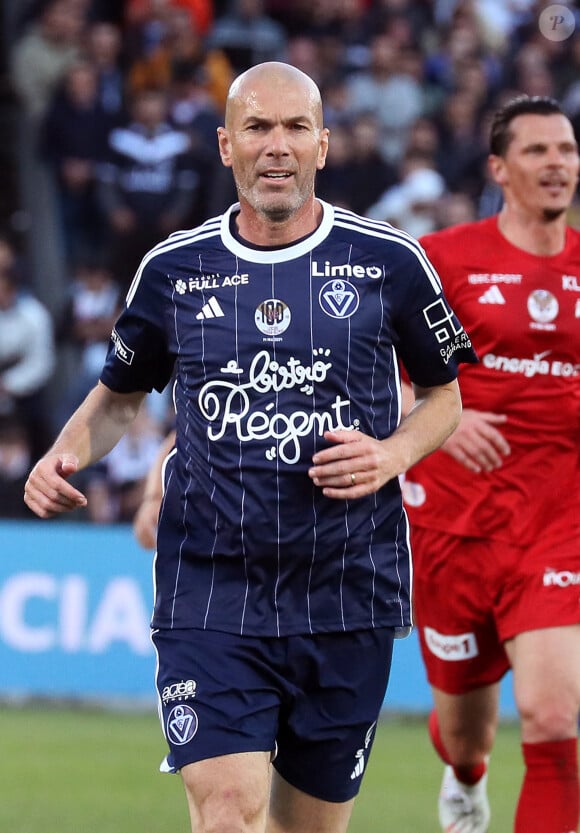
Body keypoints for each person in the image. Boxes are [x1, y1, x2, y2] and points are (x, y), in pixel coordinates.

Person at [24, 62, 476, 833]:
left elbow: (445, 399)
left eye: (296, 127)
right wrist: (64, 451)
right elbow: (120, 396)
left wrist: (390, 455)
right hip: (212, 594)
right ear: (225, 145)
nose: (277, 146)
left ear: (324, 145)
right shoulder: (172, 270)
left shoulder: (390, 263)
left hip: (346, 593)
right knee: (229, 809)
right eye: (258, 128)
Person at [402, 95, 580, 833]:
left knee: (551, 713)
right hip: (454, 524)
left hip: (557, 521)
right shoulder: (444, 259)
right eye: (538, 151)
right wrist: (446, 417)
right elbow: (373, 364)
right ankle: (465, 778)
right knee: (468, 735)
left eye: (567, 150)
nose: (558, 164)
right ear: (499, 169)